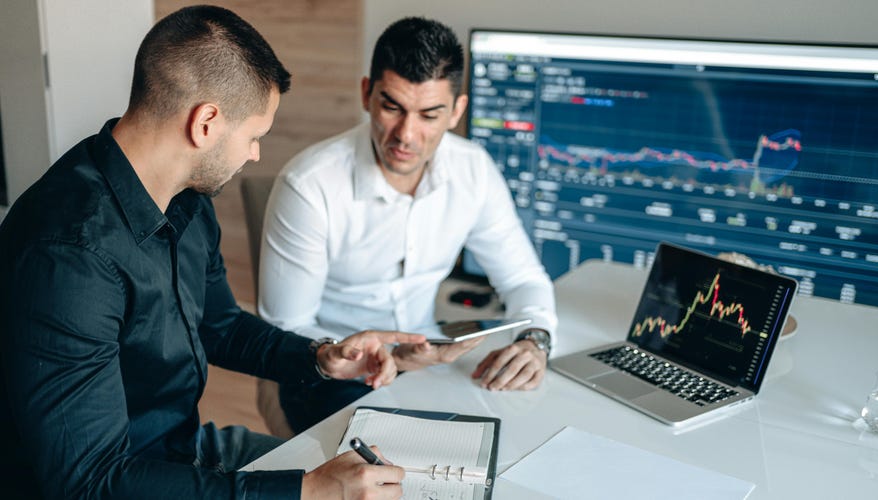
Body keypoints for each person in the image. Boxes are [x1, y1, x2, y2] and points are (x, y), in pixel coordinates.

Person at [0, 6, 424, 499]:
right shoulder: (68, 256)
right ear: (206, 123)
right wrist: (305, 492)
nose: (254, 154)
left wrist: (321, 358)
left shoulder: (186, 198)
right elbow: (90, 481)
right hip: (123, 480)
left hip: (183, 450)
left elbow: (220, 325)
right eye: (254, 137)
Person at [258, 16, 558, 434]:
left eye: (429, 115)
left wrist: (534, 340)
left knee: (523, 428)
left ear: (456, 111)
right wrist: (375, 357)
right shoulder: (310, 186)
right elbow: (286, 331)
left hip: (424, 363)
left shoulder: (474, 170)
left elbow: (523, 278)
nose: (406, 135)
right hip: (328, 372)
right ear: (367, 94)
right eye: (392, 107)